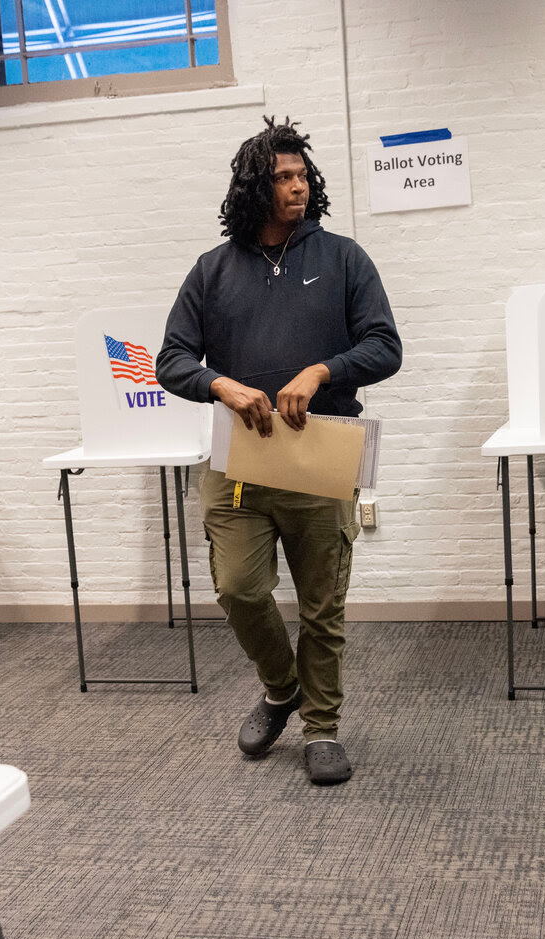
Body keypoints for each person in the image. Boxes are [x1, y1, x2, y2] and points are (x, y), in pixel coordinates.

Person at [156, 116, 401, 785]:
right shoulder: (213, 271)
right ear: (253, 189)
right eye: (282, 177)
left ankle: (322, 728)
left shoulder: (344, 259)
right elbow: (171, 360)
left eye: (302, 175)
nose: (297, 187)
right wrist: (219, 383)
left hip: (321, 456)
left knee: (323, 604)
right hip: (239, 461)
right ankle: (281, 686)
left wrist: (323, 371)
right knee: (237, 588)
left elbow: (386, 347)